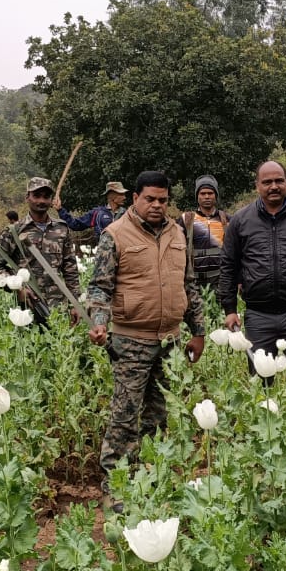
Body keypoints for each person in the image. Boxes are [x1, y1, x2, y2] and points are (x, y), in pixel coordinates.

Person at [88, 171, 206, 513]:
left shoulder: (178, 233)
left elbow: (189, 284)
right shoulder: (115, 235)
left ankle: (151, 476)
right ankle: (115, 485)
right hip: (131, 340)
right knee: (125, 415)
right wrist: (99, 321)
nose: (157, 206)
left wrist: (198, 330)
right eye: (150, 199)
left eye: (163, 200)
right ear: (135, 198)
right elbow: (100, 287)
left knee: (160, 413)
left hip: (170, 339)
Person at [219, 161, 286, 382]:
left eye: (279, 180)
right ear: (257, 186)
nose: (274, 186)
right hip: (258, 315)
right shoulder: (241, 221)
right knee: (261, 385)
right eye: (267, 182)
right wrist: (229, 308)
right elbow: (228, 266)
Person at [0, 178, 81, 327]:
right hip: (26, 309)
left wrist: (75, 303)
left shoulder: (62, 229)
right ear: (27, 197)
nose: (41, 201)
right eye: (36, 196)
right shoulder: (14, 231)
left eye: (46, 196)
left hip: (59, 309)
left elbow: (71, 270)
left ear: (51, 200)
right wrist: (17, 288)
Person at [179, 175, 230, 290]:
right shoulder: (186, 219)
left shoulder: (226, 219)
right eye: (202, 193)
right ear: (197, 196)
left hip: (220, 282)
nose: (207, 196)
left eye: (210, 193)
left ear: (215, 195)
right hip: (194, 284)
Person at [56, 181, 129, 238]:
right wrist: (60, 210)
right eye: (121, 194)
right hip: (104, 255)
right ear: (111, 195)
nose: (124, 197)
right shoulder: (97, 213)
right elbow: (76, 225)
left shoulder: (127, 214)